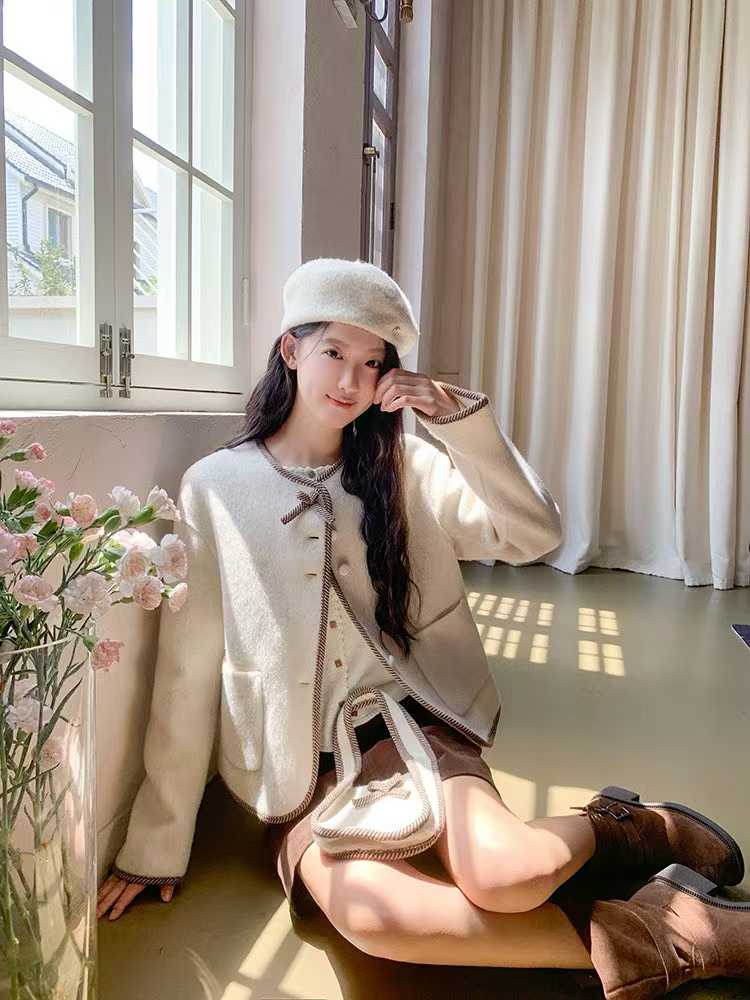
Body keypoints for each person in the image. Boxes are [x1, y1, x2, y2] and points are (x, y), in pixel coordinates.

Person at [97, 257, 749, 998]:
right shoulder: (215, 486)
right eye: (334, 352)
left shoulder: (405, 466)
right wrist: (155, 846)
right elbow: (187, 670)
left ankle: (630, 826)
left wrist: (461, 425)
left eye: (373, 363)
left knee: (510, 877)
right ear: (290, 349)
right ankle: (670, 933)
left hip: (412, 720)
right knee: (375, 920)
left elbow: (533, 533)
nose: (351, 380)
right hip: (295, 765)